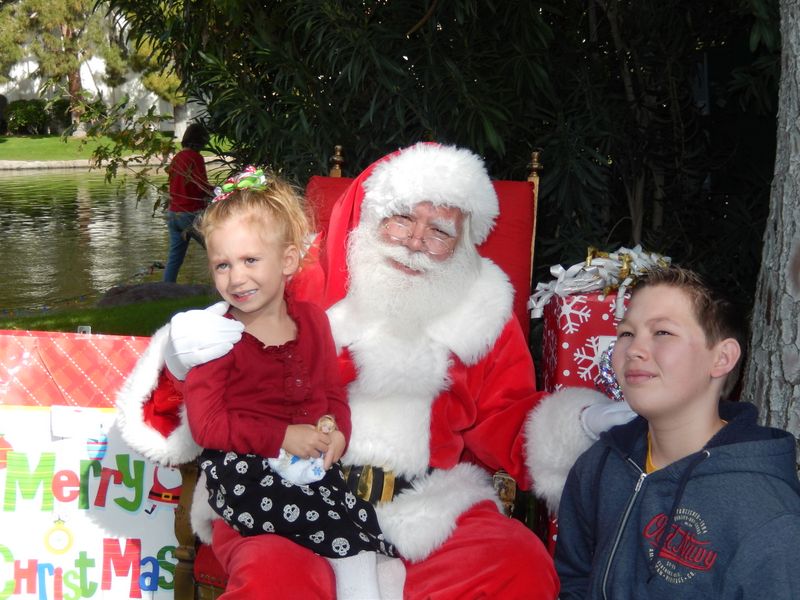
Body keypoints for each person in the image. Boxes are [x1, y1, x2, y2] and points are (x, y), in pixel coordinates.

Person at [118, 142, 623, 598]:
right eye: (402, 218)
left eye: (440, 230)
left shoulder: (481, 316)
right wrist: (182, 359)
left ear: (463, 242)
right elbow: (201, 400)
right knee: (279, 582)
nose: (415, 241)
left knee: (518, 563)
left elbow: (506, 418)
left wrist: (576, 425)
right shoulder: (296, 285)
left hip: (425, 506)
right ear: (370, 214)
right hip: (283, 496)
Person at [182, 168, 396, 598]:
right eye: (222, 265)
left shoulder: (313, 322)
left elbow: (333, 395)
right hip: (243, 472)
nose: (236, 278)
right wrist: (282, 436)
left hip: (309, 469)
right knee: (350, 546)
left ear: (288, 260)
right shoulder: (214, 337)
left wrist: (336, 433)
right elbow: (205, 427)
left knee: (374, 537)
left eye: (249, 261)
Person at [555, 266, 800, 599]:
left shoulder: (765, 514)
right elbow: (574, 580)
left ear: (722, 358)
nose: (634, 350)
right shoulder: (598, 467)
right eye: (626, 333)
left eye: (662, 333)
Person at [163, 123, 211, 282]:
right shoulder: (196, 158)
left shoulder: (176, 158)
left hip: (173, 213)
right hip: (190, 214)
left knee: (175, 257)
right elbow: (201, 186)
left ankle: (166, 288)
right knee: (216, 248)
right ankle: (223, 285)